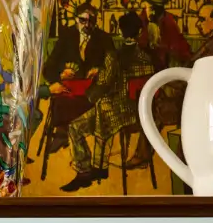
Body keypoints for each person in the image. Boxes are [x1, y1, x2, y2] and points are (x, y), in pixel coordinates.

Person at [62, 12, 157, 191]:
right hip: (137, 115)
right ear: (138, 32)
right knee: (103, 111)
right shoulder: (147, 58)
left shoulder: (114, 56)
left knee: (75, 126)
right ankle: (100, 166)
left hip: (114, 115)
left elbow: (104, 83)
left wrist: (89, 95)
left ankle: (86, 171)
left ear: (120, 32)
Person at [43, 1, 114, 88]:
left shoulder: (104, 39)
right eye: (83, 20)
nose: (87, 25)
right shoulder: (66, 37)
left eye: (91, 21)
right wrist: (61, 75)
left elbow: (115, 67)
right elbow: (48, 69)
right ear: (76, 19)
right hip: (70, 91)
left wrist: (100, 71)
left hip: (96, 92)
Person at [140, 0, 192, 68]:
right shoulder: (143, 19)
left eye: (152, 8)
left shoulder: (168, 21)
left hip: (164, 64)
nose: (150, 11)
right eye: (148, 8)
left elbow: (179, 45)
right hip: (147, 63)